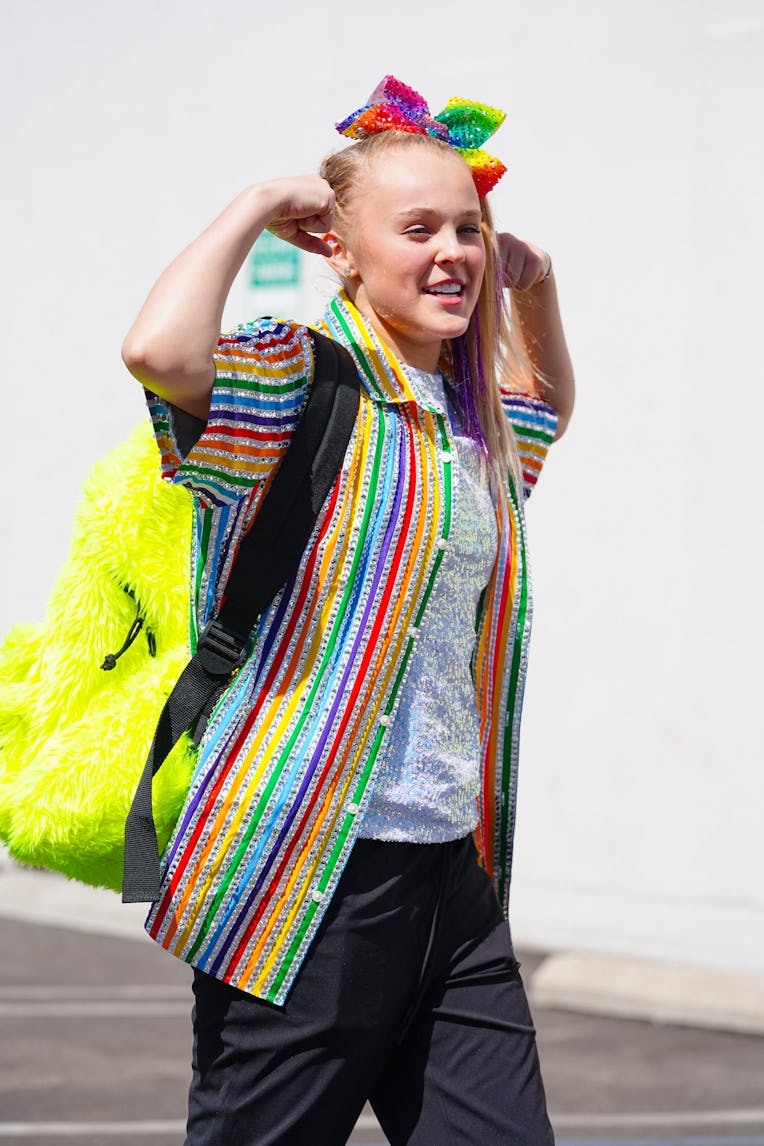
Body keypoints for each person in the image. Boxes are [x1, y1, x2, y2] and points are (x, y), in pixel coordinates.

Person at [122, 75, 575, 1146]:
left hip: (448, 876)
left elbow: (542, 408)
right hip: (304, 879)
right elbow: (159, 354)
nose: (452, 252)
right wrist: (249, 206)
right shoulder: (295, 383)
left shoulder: (468, 426)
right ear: (339, 247)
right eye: (416, 228)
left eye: (467, 228)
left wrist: (537, 289)